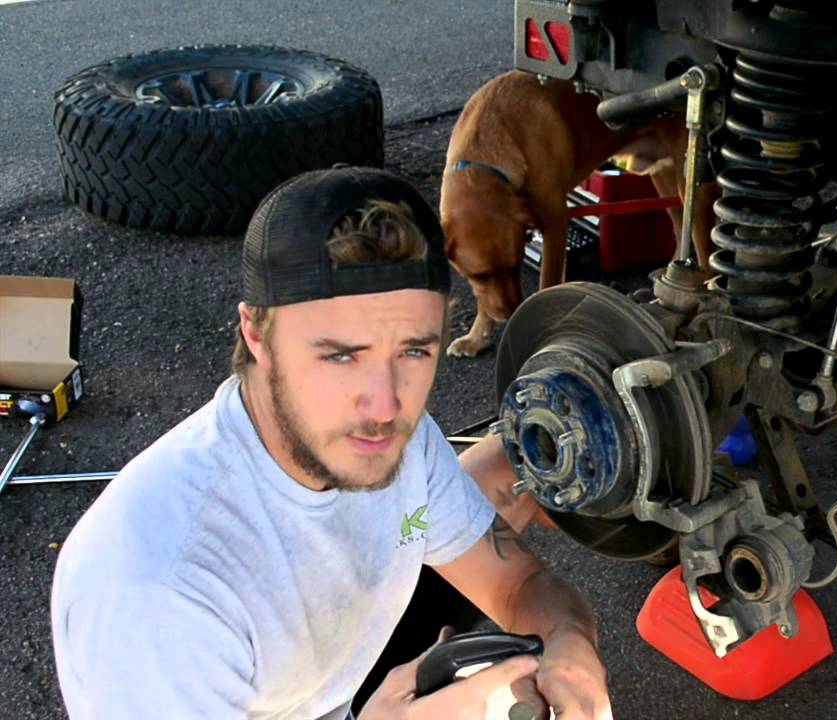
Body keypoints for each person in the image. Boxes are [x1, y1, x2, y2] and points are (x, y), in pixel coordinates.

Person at [49, 166, 611, 719]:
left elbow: (519, 587)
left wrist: (569, 644)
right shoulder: (161, 592)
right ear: (256, 334)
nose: (386, 405)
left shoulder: (401, 445)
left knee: (502, 470)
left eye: (414, 351)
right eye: (342, 355)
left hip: (338, 687)